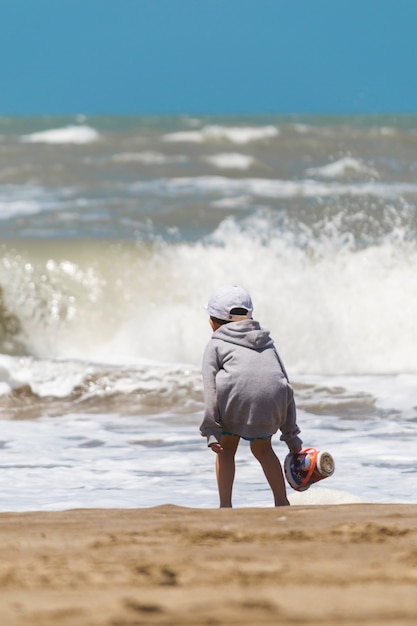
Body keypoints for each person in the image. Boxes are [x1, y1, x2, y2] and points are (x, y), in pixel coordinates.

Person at [200, 284, 302, 508]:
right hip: (272, 404)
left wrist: (211, 430)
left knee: (226, 450)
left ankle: (225, 505)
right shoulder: (267, 343)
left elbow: (210, 389)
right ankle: (281, 501)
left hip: (236, 403)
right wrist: (291, 435)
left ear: (212, 322)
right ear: (250, 318)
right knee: (263, 449)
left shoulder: (216, 344)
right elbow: (284, 384)